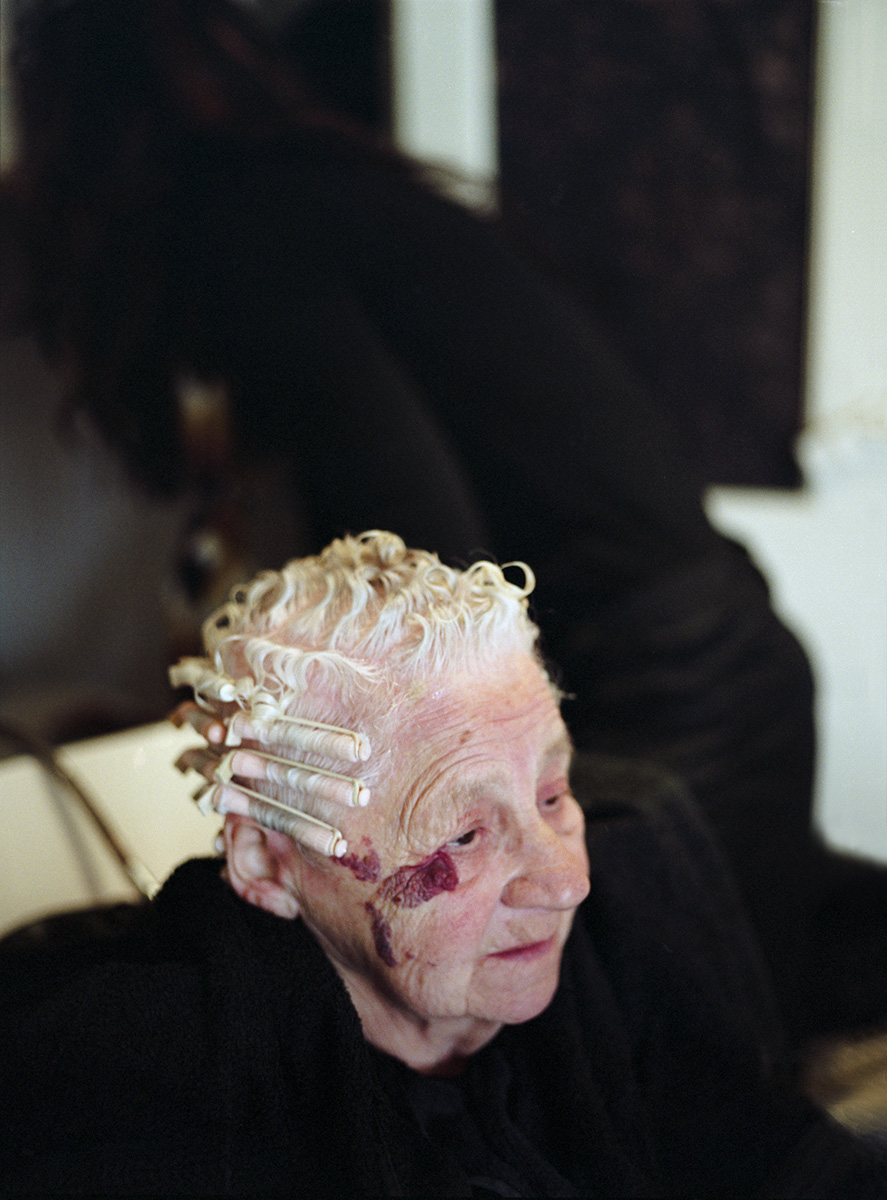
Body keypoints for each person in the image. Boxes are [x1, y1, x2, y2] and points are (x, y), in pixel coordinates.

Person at [3, 0, 834, 1031]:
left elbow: (420, 555)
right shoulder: (321, 192)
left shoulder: (247, 226)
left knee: (596, 1078)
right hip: (729, 663)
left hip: (665, 709)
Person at [1, 531, 884, 1196]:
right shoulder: (132, 1098)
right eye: (461, 836)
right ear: (267, 862)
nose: (565, 882)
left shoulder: (628, 926)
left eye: (551, 795)